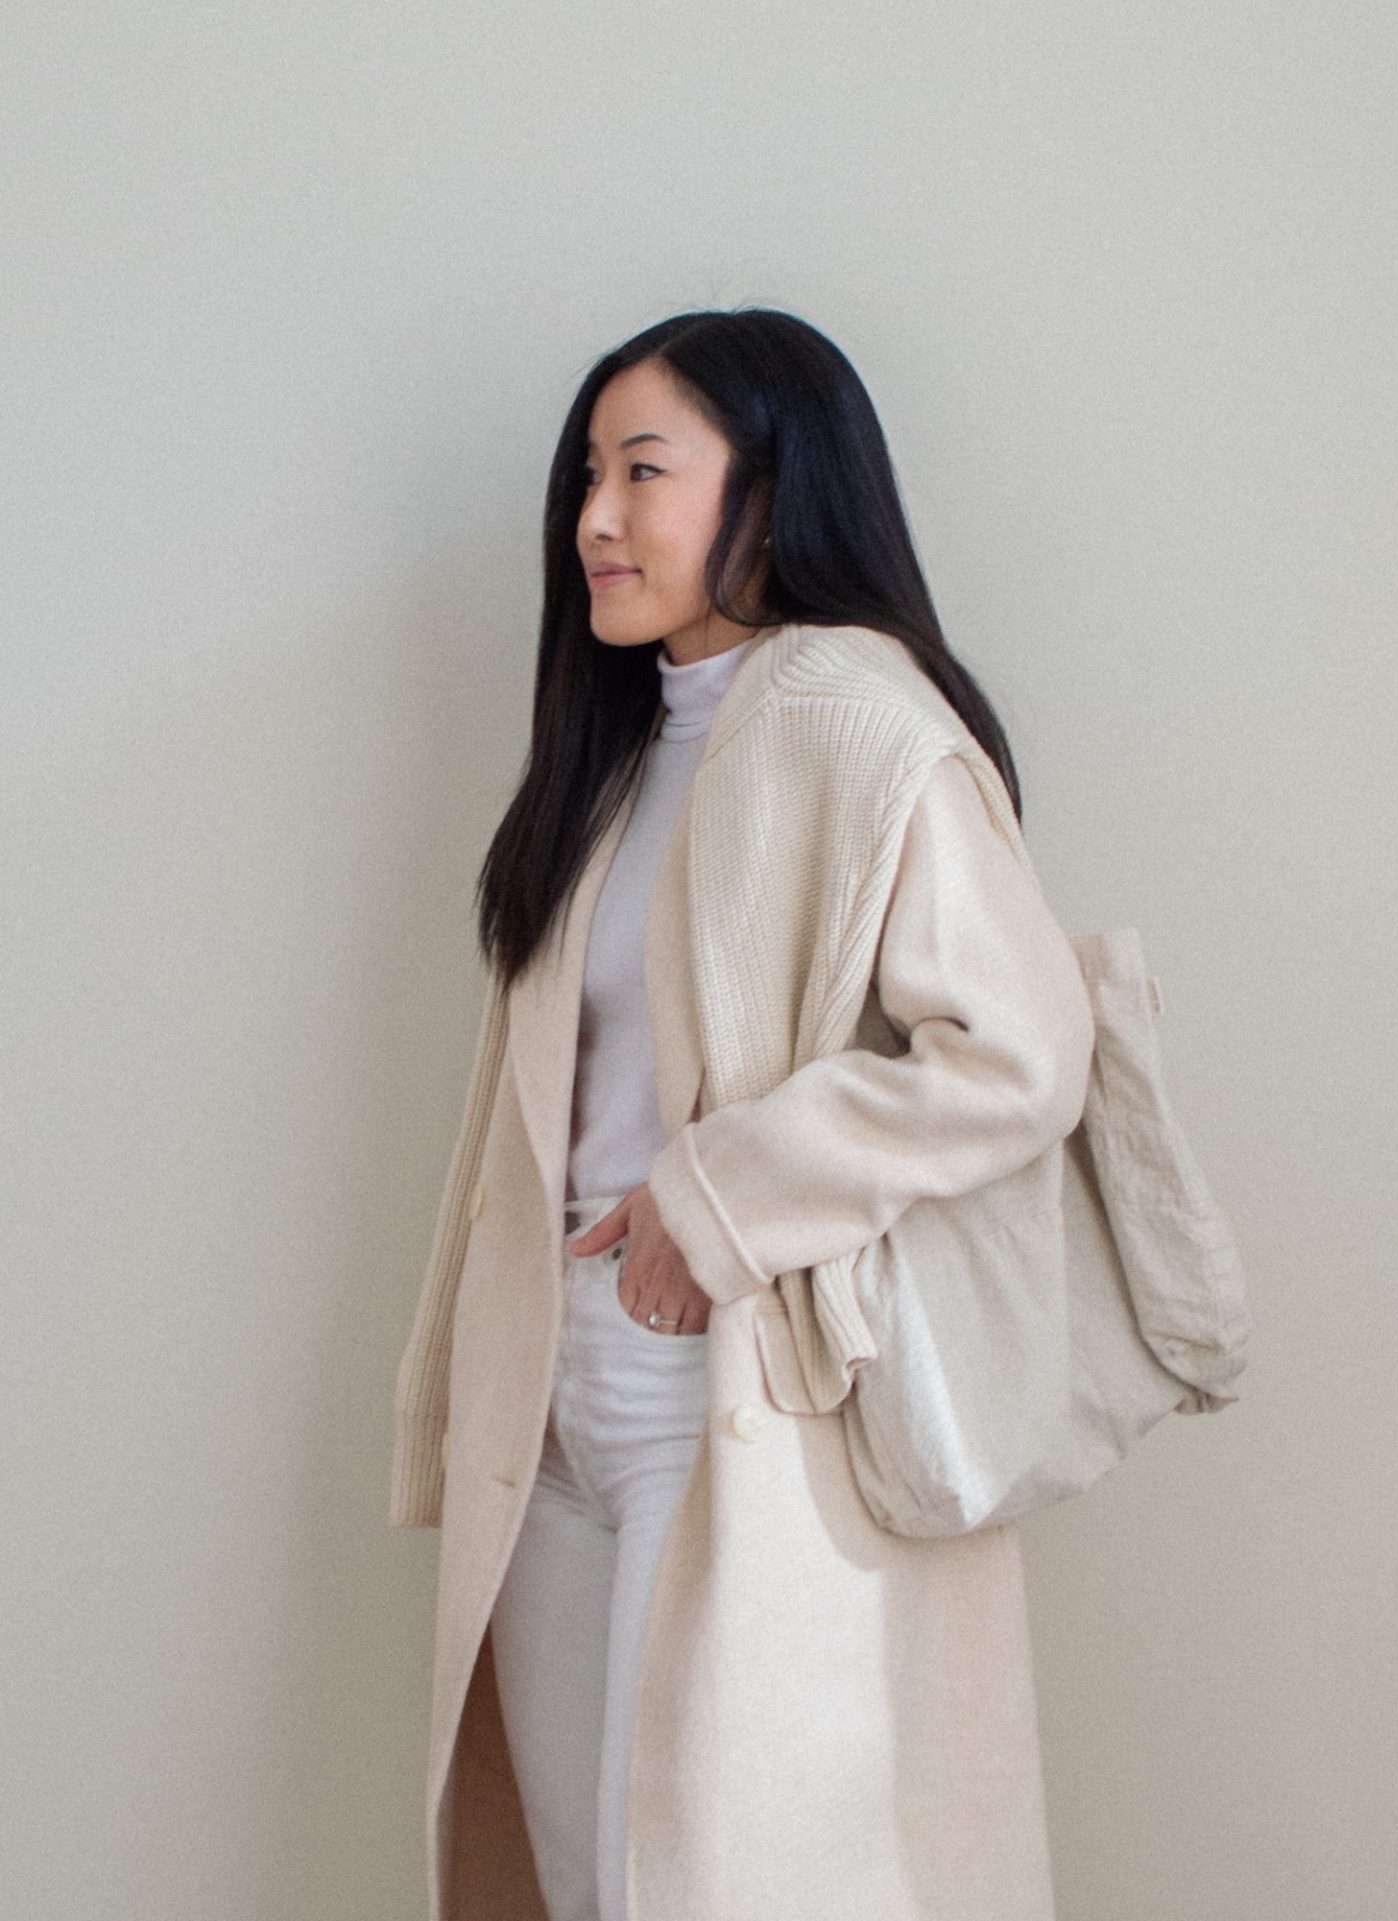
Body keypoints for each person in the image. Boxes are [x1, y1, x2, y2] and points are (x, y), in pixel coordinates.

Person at [390, 307, 1094, 1921]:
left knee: (712, 1881)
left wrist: (723, 1197)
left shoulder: (856, 714)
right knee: (584, 1884)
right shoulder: (619, 758)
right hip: (554, 1398)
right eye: (587, 474)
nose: (595, 519)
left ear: (773, 493)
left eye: (646, 470)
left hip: (737, 1395)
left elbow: (1021, 1048)